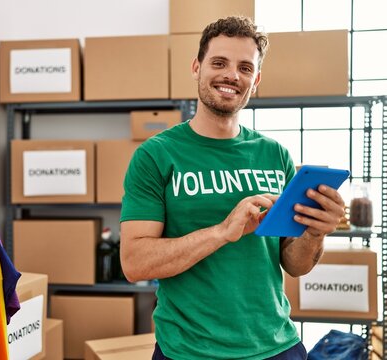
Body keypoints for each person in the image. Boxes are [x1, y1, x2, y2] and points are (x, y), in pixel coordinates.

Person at [119, 16, 345, 360]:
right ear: (197, 67)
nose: (231, 76)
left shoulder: (275, 154)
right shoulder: (156, 156)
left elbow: (294, 264)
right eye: (219, 63)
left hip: (277, 346)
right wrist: (223, 231)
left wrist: (316, 233)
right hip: (189, 351)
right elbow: (135, 263)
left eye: (244, 67)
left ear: (255, 81)